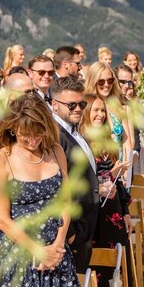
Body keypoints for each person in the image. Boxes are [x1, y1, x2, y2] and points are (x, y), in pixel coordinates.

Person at [0, 95, 91, 287]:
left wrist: (57, 246)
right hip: (20, 258)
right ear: (12, 129)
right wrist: (37, 250)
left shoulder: (55, 150)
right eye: (25, 135)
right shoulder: (1, 159)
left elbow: (65, 200)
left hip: (56, 256)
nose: (33, 140)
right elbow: (1, 219)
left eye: (38, 134)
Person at [79, 93, 138, 287]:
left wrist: (125, 212)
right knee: (98, 268)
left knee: (117, 265)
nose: (101, 114)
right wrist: (108, 176)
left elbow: (119, 185)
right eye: (95, 110)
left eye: (102, 110)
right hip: (94, 216)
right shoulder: (81, 143)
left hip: (112, 212)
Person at [50, 76, 99, 273]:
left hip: (86, 225)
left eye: (81, 104)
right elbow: (55, 186)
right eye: (71, 105)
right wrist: (70, 233)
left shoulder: (74, 131)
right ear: (54, 105)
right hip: (73, 228)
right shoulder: (56, 136)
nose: (78, 109)